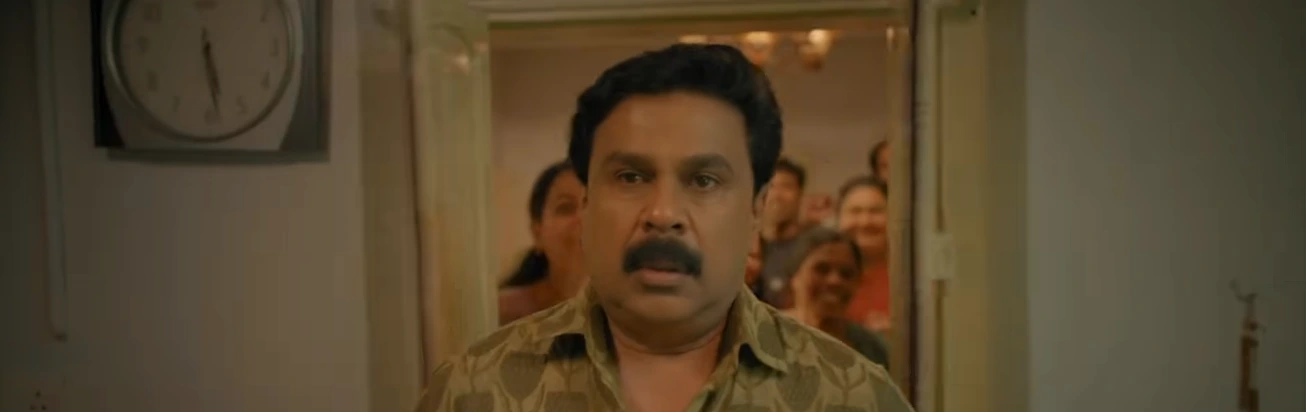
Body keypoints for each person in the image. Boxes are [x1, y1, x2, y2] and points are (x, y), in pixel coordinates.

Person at [414, 44, 913, 412]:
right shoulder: (474, 391)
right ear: (587, 203)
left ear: (755, 210)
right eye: (631, 177)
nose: (663, 212)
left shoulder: (852, 395)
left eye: (704, 180)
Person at [777, 227, 890, 368]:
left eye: (846, 274)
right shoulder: (769, 335)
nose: (835, 281)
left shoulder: (871, 350)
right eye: (822, 269)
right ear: (795, 276)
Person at [497, 161, 586, 325]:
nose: (583, 218)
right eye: (565, 208)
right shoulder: (499, 315)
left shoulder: (634, 315)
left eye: (593, 206)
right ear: (537, 233)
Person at [755, 158, 816, 306]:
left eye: (786, 187)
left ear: (801, 194)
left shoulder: (814, 248)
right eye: (770, 187)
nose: (777, 195)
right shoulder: (746, 248)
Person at [835, 176, 892, 332]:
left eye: (876, 212)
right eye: (855, 211)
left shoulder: (911, 279)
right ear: (838, 219)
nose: (865, 222)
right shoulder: (818, 275)